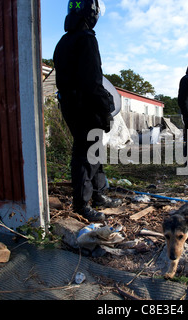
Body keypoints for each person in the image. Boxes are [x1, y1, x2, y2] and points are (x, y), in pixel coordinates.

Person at [54, 0, 120, 221]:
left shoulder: (63, 42)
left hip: (71, 106)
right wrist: (105, 109)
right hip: (85, 107)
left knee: (94, 150)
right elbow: (92, 82)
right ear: (91, 14)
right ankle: (82, 205)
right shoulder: (87, 40)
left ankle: (99, 194)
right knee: (86, 155)